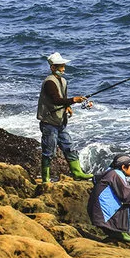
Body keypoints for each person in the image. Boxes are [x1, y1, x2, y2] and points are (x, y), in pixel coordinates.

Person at [36, 52, 93, 183]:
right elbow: (56, 100)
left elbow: (62, 99)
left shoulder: (63, 81)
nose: (63, 68)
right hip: (49, 122)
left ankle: (77, 173)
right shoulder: (49, 82)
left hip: (60, 121)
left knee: (69, 147)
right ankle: (46, 179)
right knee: (49, 151)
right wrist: (74, 100)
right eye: (61, 66)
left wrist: (68, 106)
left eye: (63, 66)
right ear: (53, 68)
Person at [87, 154, 130, 242]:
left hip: (97, 213)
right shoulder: (116, 175)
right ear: (124, 167)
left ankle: (115, 232)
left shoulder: (110, 172)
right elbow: (127, 197)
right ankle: (118, 232)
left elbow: (127, 190)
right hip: (103, 216)